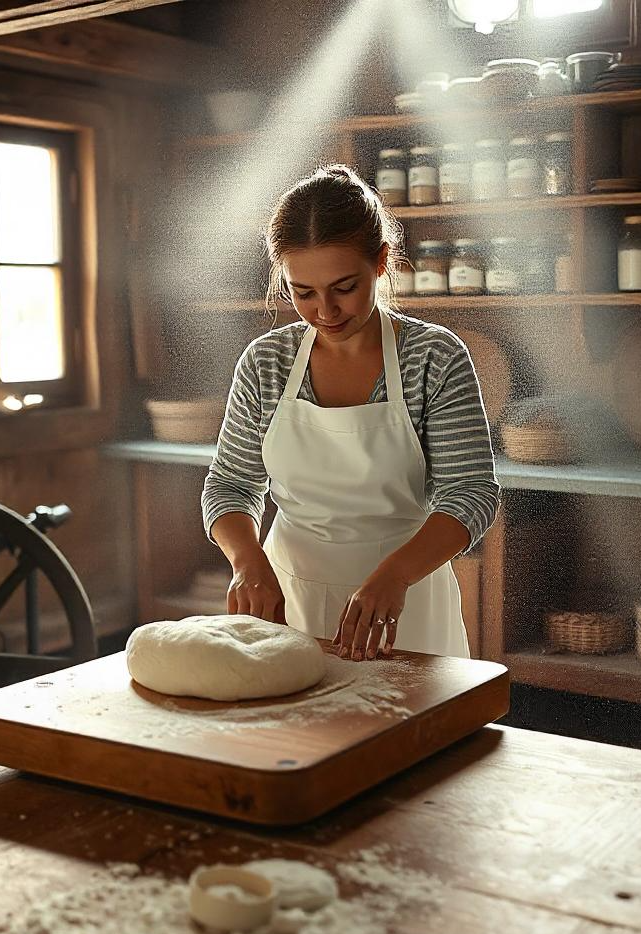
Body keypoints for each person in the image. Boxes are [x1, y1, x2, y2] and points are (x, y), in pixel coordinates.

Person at [200, 164, 500, 661]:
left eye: (344, 287)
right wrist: (247, 560)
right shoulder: (266, 362)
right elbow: (232, 484)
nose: (325, 311)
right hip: (287, 599)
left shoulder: (433, 357)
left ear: (381, 263)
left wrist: (395, 575)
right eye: (303, 293)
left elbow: (470, 493)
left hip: (402, 602)